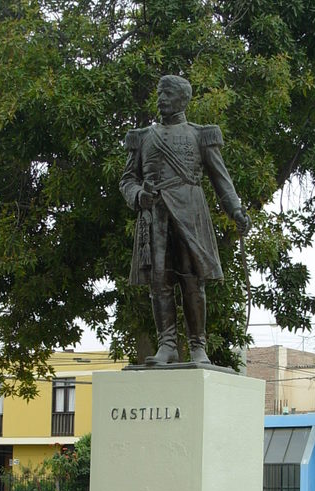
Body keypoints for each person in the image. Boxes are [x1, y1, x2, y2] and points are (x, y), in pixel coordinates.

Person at [120, 75, 250, 366]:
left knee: (193, 280)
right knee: (159, 280)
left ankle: (197, 346)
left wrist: (236, 211)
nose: (161, 99)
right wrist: (139, 195)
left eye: (167, 94)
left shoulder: (201, 134)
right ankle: (166, 344)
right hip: (155, 215)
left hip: (191, 212)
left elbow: (221, 180)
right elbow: (128, 179)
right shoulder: (142, 137)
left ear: (183, 99)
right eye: (159, 93)